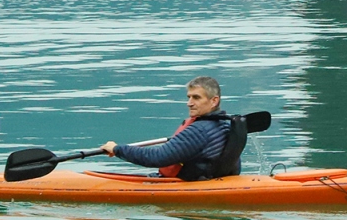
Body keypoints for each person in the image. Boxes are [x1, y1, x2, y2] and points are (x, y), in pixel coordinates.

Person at [100, 76, 243, 181]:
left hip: (193, 185)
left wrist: (117, 149)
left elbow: (156, 157)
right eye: (189, 97)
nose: (189, 103)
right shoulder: (227, 124)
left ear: (214, 101)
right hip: (214, 180)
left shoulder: (199, 131)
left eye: (196, 98)